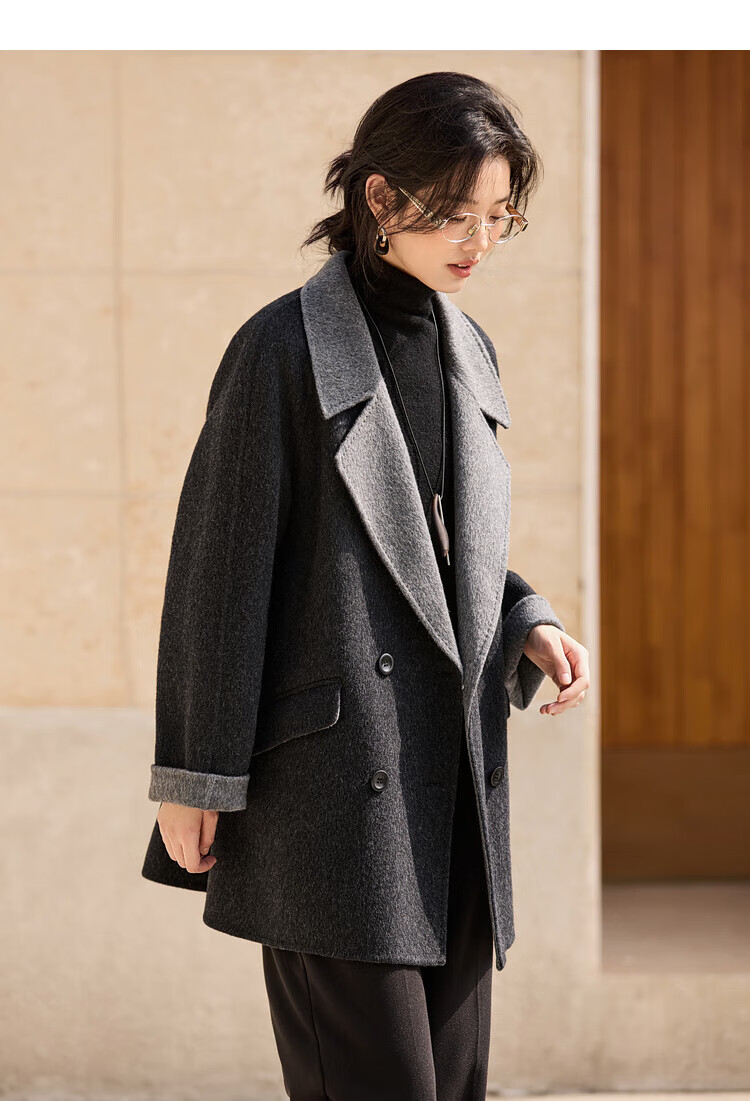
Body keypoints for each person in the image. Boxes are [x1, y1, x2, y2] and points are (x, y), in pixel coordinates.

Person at [141, 70, 590, 1101]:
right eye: (455, 213)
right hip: (333, 804)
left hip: (455, 791)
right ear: (380, 197)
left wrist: (524, 617)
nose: (478, 241)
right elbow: (219, 572)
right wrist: (194, 776)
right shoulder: (281, 350)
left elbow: (429, 552)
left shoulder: (467, 349)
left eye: (498, 216)